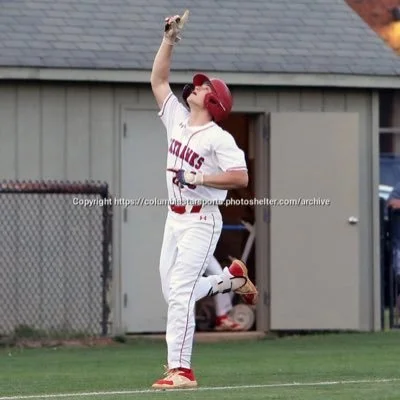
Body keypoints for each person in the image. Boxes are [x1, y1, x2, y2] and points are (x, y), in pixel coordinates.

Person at [150, 12, 258, 390]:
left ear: (213, 102)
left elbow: (240, 177)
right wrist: (169, 40)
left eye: (203, 86)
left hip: (201, 219)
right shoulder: (178, 119)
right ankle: (231, 279)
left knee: (181, 293)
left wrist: (200, 178)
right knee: (173, 293)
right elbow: (158, 80)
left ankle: (181, 370)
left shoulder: (218, 138)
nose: (195, 87)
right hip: (174, 218)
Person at [206, 256, 244, 331]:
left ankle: (222, 318)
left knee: (220, 277)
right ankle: (221, 318)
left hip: (204, 251)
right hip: (188, 251)